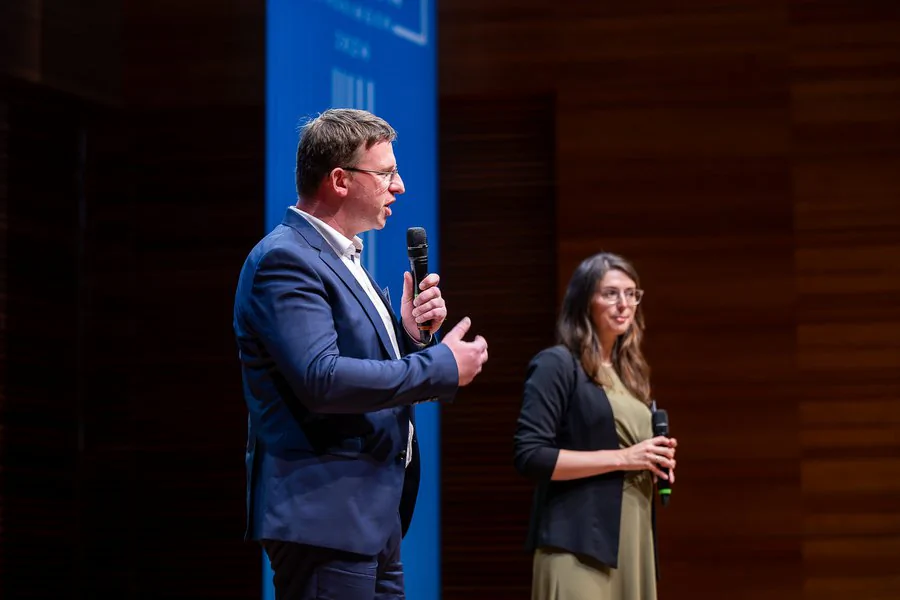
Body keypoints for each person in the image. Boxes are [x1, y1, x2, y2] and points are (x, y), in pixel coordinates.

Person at [233, 108, 488, 599]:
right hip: (325, 513)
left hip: (369, 514)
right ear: (339, 180)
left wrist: (409, 337)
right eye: (387, 173)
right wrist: (439, 365)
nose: (400, 186)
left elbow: (359, 363)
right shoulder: (286, 259)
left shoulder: (341, 256)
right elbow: (322, 379)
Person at [513, 252, 677, 600]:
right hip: (579, 547)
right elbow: (531, 455)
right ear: (585, 300)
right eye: (611, 293)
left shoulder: (629, 374)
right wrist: (625, 458)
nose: (624, 304)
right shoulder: (557, 364)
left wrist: (652, 462)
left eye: (631, 294)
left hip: (634, 540)